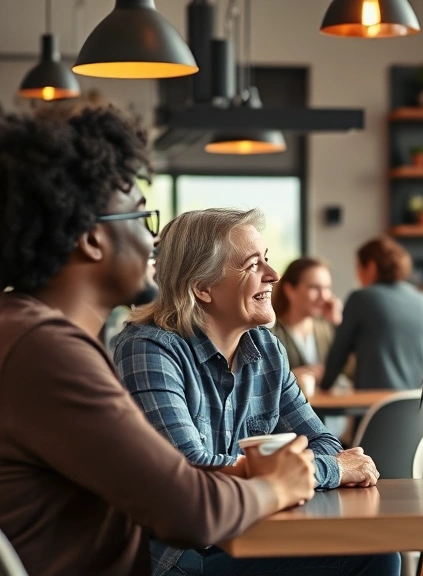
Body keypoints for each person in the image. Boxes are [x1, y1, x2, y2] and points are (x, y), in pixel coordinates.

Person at [0, 106, 316, 576]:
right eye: (142, 217)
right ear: (92, 239)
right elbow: (190, 510)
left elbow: (169, 483)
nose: (155, 243)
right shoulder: (46, 349)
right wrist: (279, 484)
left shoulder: (29, 331)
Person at [112, 208, 398, 576]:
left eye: (267, 259)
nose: (274, 275)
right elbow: (192, 473)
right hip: (176, 557)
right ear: (202, 287)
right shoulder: (148, 348)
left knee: (378, 552)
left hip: (247, 532)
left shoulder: (265, 348)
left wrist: (305, 467)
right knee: (369, 558)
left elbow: (324, 442)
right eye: (252, 265)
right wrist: (328, 470)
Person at [321, 236, 423, 391]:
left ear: (371, 266)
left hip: (373, 407)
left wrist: (323, 386)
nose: (357, 275)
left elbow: (339, 354)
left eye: (359, 267)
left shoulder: (361, 298)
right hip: (418, 405)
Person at [270, 257, 342, 387]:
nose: (324, 296)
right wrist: (291, 376)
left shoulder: (326, 329)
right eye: (314, 288)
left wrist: (338, 324)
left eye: (327, 288)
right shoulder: (270, 332)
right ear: (289, 290)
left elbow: (351, 371)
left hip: (327, 406)